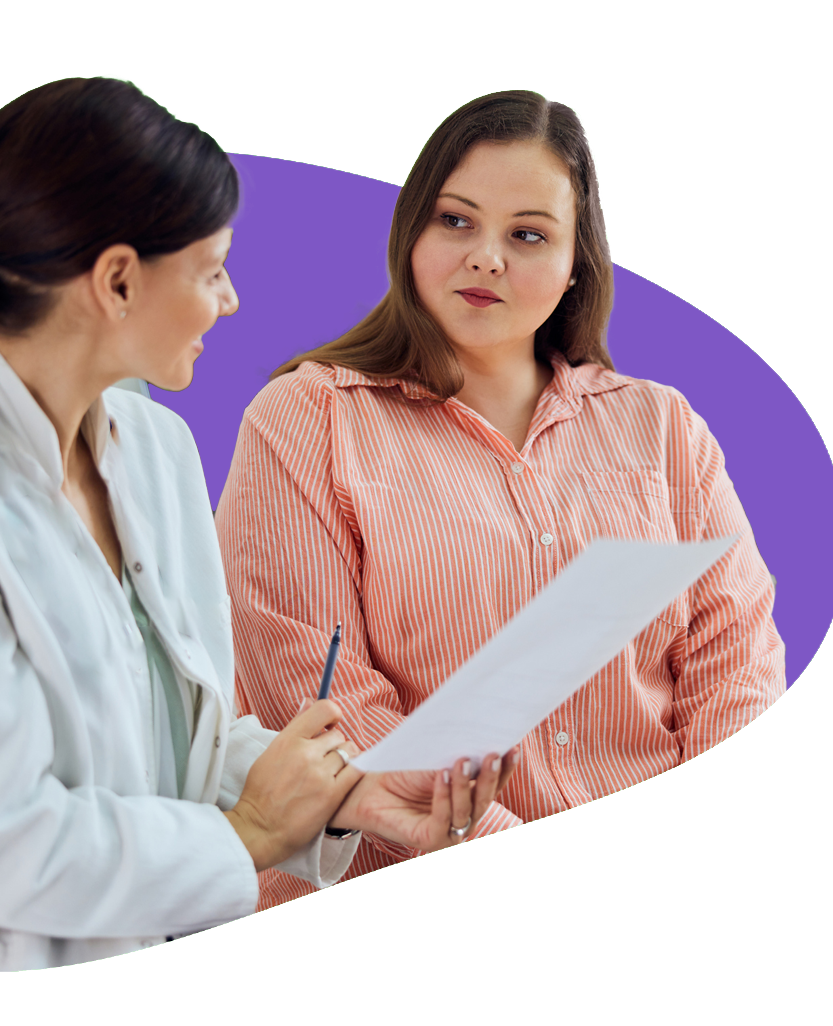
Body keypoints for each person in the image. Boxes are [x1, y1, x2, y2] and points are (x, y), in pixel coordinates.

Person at [0, 76, 519, 971]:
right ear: (117, 281)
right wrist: (251, 833)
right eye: (212, 270)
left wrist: (349, 794)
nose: (231, 301)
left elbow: (171, 745)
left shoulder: (155, 449)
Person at [215, 89, 786, 911]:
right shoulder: (309, 419)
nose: (486, 256)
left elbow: (735, 672)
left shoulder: (662, 428)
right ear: (410, 229)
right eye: (455, 220)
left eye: (527, 234)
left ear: (576, 261)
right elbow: (320, 704)